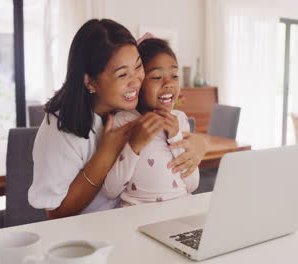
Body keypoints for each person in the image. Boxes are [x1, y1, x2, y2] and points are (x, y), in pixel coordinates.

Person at [28, 19, 207, 219]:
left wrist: (200, 144)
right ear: (90, 82)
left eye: (139, 67)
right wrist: (107, 153)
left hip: (135, 222)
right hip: (92, 233)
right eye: (122, 75)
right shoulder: (61, 129)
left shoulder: (126, 108)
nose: (136, 81)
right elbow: (56, 213)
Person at [102, 37, 199, 206]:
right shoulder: (122, 122)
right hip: (136, 215)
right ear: (138, 82)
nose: (169, 83)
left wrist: (175, 138)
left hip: (180, 209)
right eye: (156, 77)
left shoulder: (180, 120)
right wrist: (134, 146)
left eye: (174, 76)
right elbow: (110, 191)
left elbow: (192, 184)